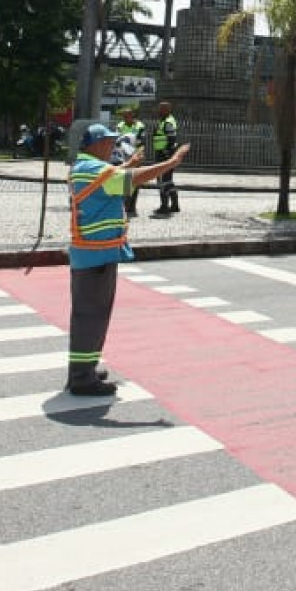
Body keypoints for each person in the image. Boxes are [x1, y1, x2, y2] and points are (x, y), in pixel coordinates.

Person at [65, 122, 190, 396]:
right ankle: (82, 378)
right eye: (109, 142)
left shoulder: (84, 168)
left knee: (89, 314)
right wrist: (172, 161)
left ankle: (84, 368)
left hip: (90, 254)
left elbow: (110, 178)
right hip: (96, 256)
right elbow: (132, 179)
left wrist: (129, 163)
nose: (112, 146)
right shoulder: (96, 170)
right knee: (91, 317)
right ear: (96, 145)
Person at [150, 101, 181, 216]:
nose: (159, 111)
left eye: (161, 109)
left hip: (164, 155)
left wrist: (166, 153)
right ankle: (175, 205)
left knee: (163, 181)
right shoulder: (164, 121)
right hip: (165, 155)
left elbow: (171, 139)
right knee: (168, 180)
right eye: (159, 108)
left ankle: (164, 206)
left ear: (168, 110)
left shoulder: (167, 122)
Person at [114, 106, 145, 216]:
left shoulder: (140, 126)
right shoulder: (120, 126)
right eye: (123, 116)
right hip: (123, 156)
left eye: (127, 116)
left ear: (132, 116)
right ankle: (125, 205)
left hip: (135, 155)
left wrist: (139, 157)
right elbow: (116, 140)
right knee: (124, 180)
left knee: (135, 180)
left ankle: (132, 206)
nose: (125, 118)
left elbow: (141, 143)